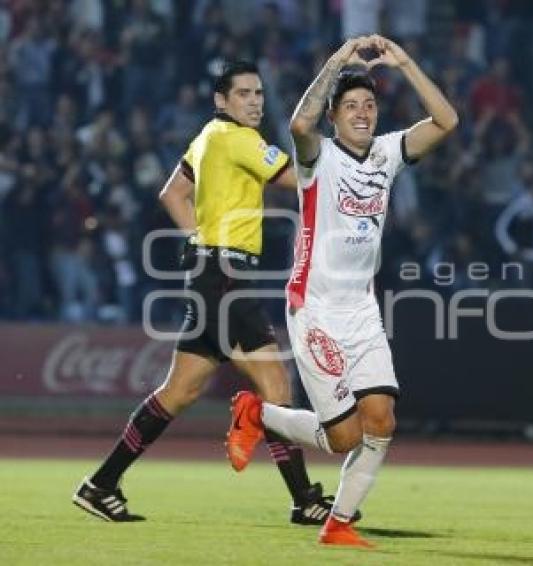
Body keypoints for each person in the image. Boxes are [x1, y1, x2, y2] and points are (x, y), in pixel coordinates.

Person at [73, 61, 341, 525]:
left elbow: (171, 193)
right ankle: (305, 499)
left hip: (208, 272)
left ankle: (100, 484)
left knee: (179, 391)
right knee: (275, 387)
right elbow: (300, 180)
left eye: (258, 93)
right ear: (222, 101)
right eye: (244, 94)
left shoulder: (205, 137)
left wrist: (199, 239)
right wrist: (350, 165)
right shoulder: (238, 139)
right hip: (225, 277)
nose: (255, 101)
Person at [226, 35, 458, 547]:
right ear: (335, 115)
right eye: (350, 105)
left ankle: (340, 524)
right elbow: (298, 125)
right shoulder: (318, 157)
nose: (362, 113)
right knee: (344, 438)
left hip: (362, 311)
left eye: (369, 105)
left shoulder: (387, 154)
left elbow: (446, 122)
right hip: (314, 309)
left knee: (382, 420)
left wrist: (404, 62)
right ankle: (256, 412)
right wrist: (338, 61)